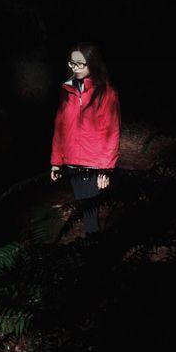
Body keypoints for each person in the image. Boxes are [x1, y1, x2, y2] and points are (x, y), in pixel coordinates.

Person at [49, 42, 121, 238]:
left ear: (93, 63)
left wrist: (106, 169)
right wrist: (56, 161)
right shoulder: (67, 90)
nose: (76, 68)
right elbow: (60, 127)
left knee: (89, 213)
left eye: (81, 64)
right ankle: (92, 252)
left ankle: (93, 253)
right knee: (83, 207)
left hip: (93, 164)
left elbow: (112, 132)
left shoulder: (106, 93)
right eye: (73, 63)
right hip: (72, 161)